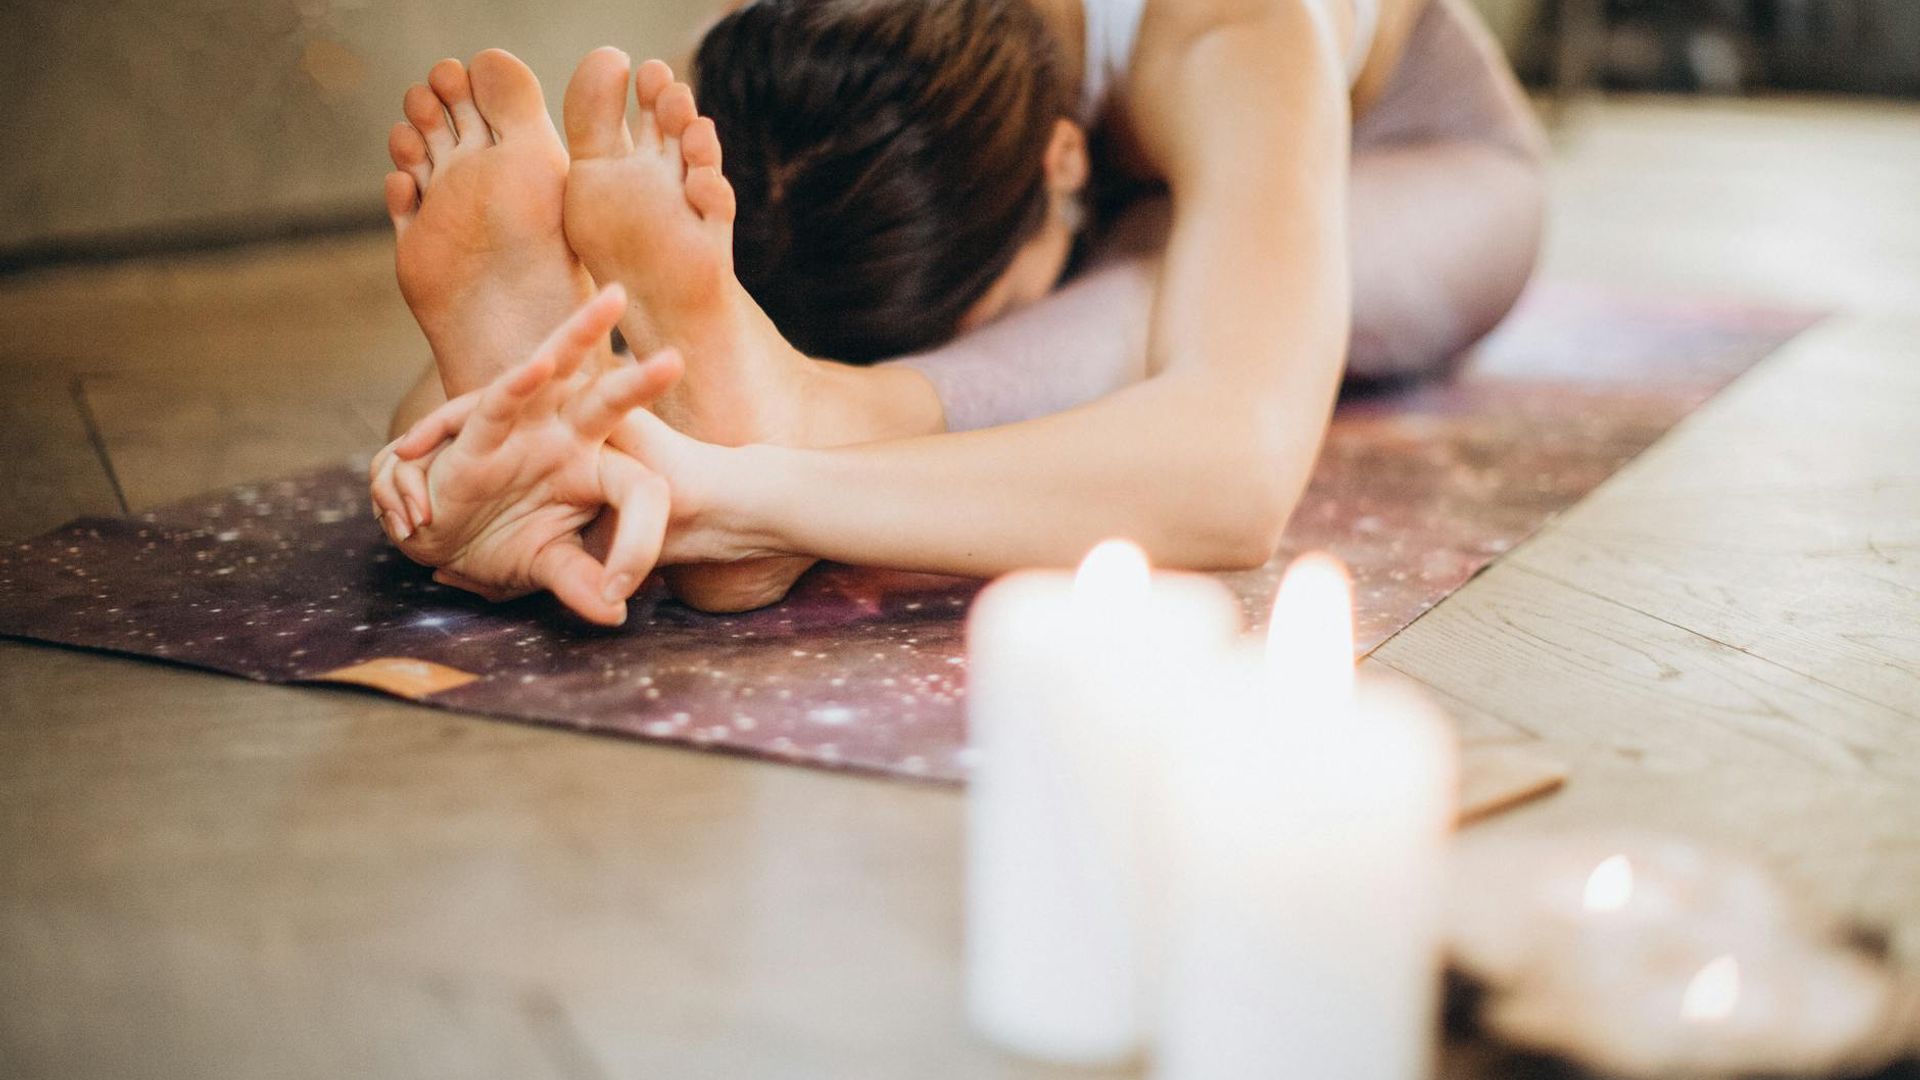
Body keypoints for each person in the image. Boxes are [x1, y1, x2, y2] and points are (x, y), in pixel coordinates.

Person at [370, 0, 1546, 624]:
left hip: (1420, 160)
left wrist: (753, 498)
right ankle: (740, 385)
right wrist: (497, 426)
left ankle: (822, 409)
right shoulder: (805, 36)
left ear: (1066, 157)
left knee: (1158, 281)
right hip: (1084, 186)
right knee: (715, 271)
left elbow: (1235, 464)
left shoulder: (1236, 25)